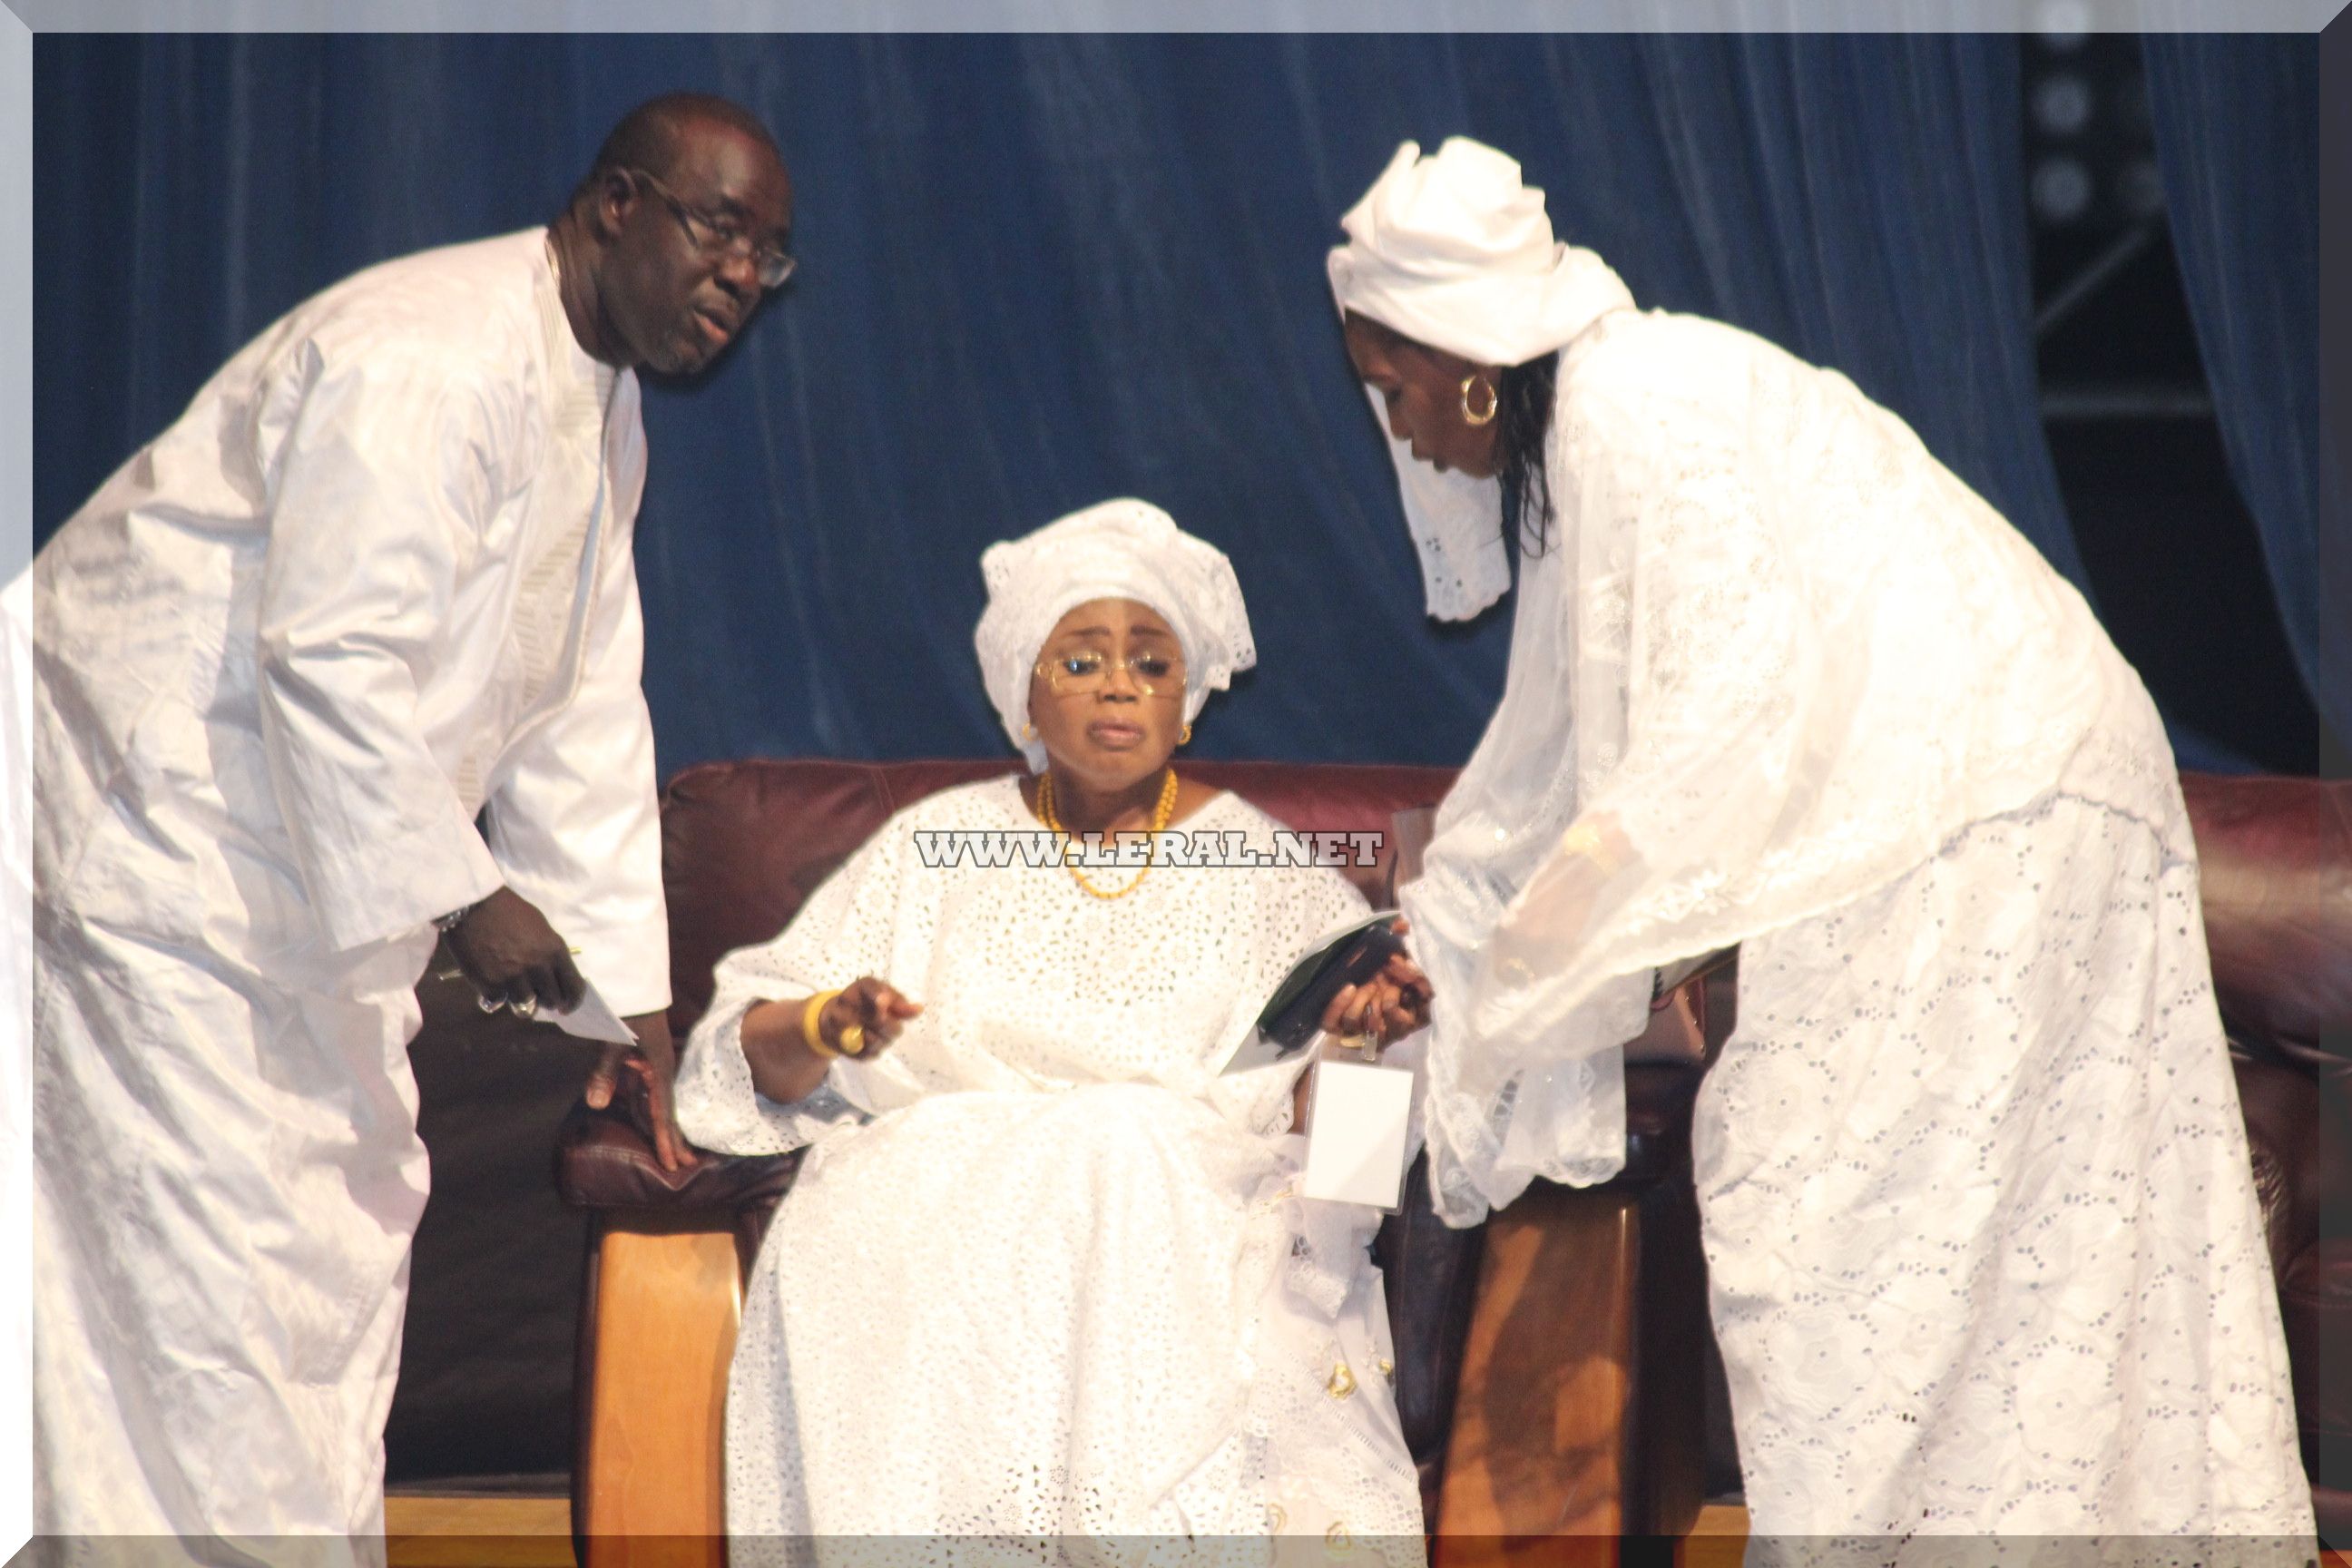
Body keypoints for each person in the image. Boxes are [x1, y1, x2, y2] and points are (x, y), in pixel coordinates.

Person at [1325, 138, 2314, 1554]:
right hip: (2000, 800)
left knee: (1845, 1244)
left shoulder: (1632, 406)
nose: (1401, 431)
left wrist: (1542, 964)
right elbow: (1548, 774)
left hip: (1970, 815)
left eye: (1394, 388)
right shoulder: (1620, 406)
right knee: (1999, 1275)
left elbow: (1689, 749)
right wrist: (1467, 927)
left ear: (1468, 361)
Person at [32, 92, 792, 1542]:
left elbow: (574, 704)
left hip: (306, 900)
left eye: (769, 255)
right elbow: (326, 651)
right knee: (208, 1298)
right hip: (158, 862)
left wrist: (628, 1007)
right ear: (615, 205)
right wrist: (466, 894)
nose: (744, 278)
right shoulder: (431, 357)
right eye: (719, 228)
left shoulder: (592, 397)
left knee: (323, 1265)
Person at [672, 499, 1432, 1562]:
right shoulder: (936, 843)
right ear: (1024, 691)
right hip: (936, 1212)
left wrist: (1365, 1047)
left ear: (1188, 702)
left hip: (1174, 1215)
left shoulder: (1258, 864)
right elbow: (747, 1060)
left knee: (1125, 1140)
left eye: (1151, 664)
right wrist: (828, 1023)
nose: (1118, 684)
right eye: (1081, 661)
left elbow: (1352, 1175)